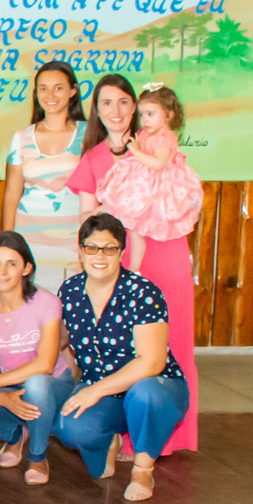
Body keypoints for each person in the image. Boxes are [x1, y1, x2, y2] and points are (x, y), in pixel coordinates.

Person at [68, 75, 198, 455]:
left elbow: (178, 192)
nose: (116, 111)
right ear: (96, 110)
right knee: (124, 348)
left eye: (124, 102)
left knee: (174, 341)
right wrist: (114, 205)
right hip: (119, 257)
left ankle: (170, 438)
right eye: (106, 103)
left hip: (166, 249)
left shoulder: (156, 144)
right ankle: (124, 436)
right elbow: (85, 219)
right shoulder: (93, 158)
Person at [57, 214, 190, 501]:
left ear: (122, 252)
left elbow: (151, 362)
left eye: (109, 248)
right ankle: (110, 441)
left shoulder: (143, 292)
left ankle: (143, 469)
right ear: (80, 251)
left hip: (156, 386)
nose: (100, 256)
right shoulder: (69, 291)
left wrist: (94, 391)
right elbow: (60, 341)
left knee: (145, 392)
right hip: (103, 389)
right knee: (68, 426)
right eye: (92, 247)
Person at [0, 231, 74, 486]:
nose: (2, 271)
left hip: (53, 384)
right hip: (11, 387)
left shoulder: (47, 302)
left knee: (36, 383)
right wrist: (2, 397)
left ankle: (38, 456)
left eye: (11, 264)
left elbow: (45, 364)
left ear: (27, 268)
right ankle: (15, 434)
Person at [94, 84, 202, 274]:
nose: (144, 120)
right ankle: (133, 266)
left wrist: (136, 151)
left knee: (138, 226)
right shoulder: (145, 134)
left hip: (156, 187)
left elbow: (158, 163)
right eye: (142, 114)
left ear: (169, 115)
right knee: (134, 227)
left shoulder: (165, 137)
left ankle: (135, 268)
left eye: (151, 114)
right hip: (142, 184)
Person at [1, 61, 86, 292]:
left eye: (58, 88)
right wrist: (8, 244)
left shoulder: (89, 135)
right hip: (30, 242)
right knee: (33, 304)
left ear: (73, 91)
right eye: (43, 88)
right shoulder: (22, 138)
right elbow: (11, 197)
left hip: (75, 242)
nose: (50, 95)